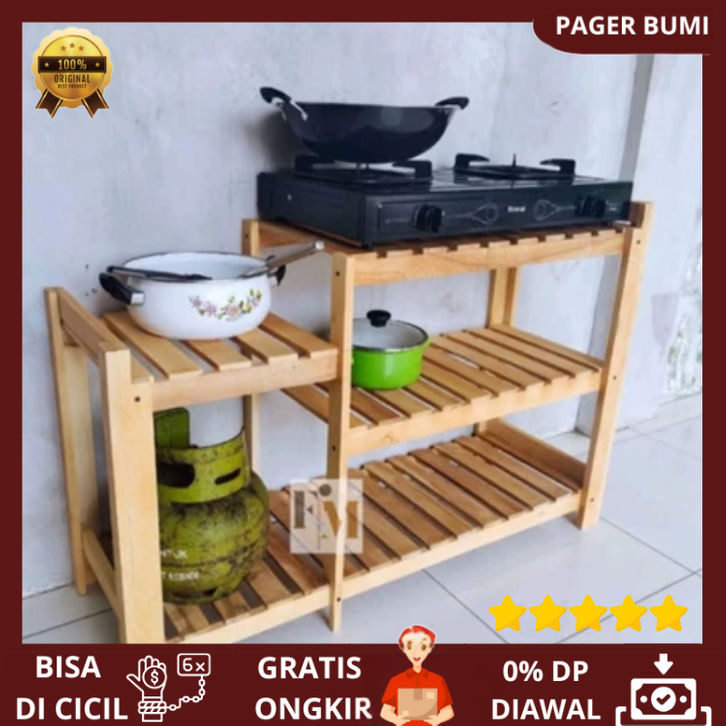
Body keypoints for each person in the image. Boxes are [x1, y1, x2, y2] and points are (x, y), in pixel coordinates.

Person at [380, 625, 454, 726]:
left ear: (430, 648)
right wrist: (397, 720)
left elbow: (448, 711)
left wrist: (436, 720)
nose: (416, 653)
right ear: (403, 648)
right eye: (410, 647)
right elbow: (386, 711)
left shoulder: (437, 680)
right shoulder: (396, 680)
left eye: (422, 647)